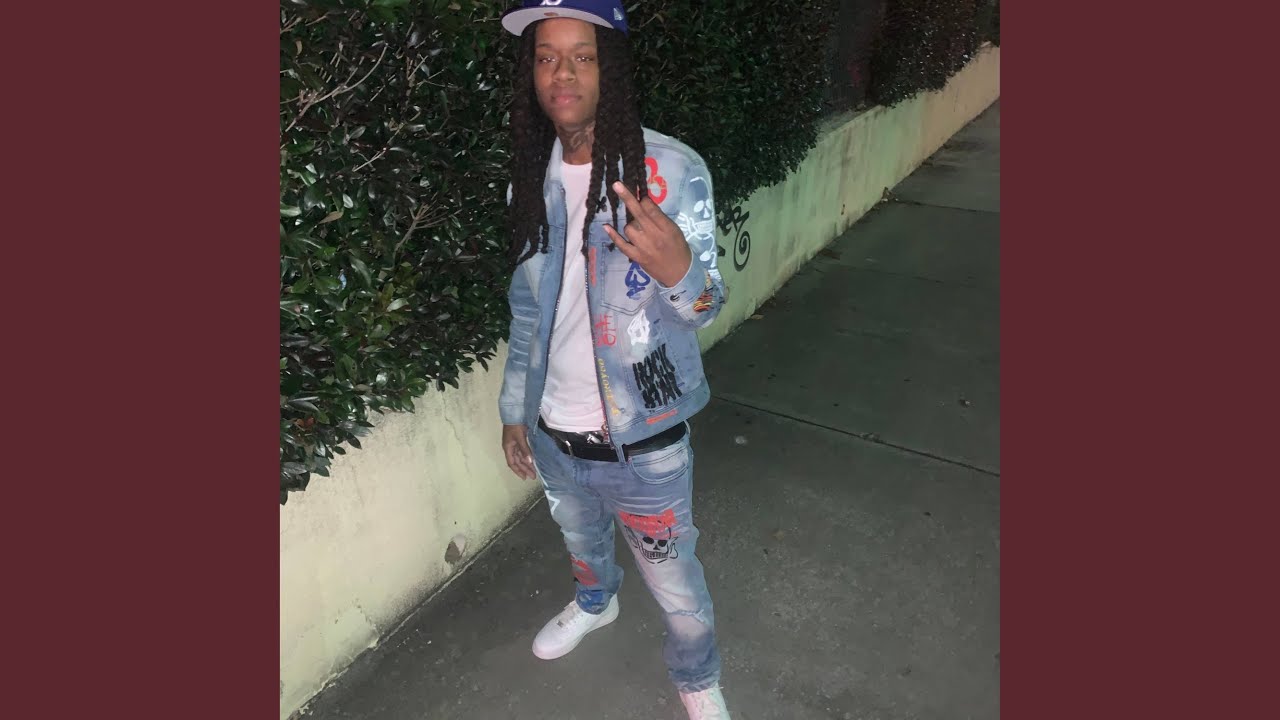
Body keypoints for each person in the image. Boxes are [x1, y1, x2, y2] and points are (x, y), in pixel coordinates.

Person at [496, 2, 731, 717]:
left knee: (676, 584)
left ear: (611, 69)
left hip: (645, 442)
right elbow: (528, 311)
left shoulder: (671, 170)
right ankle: (596, 603)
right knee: (581, 539)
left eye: (582, 56)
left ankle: (698, 679)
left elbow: (706, 307)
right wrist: (515, 411)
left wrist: (680, 272)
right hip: (553, 432)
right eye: (546, 57)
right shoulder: (528, 176)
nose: (561, 74)